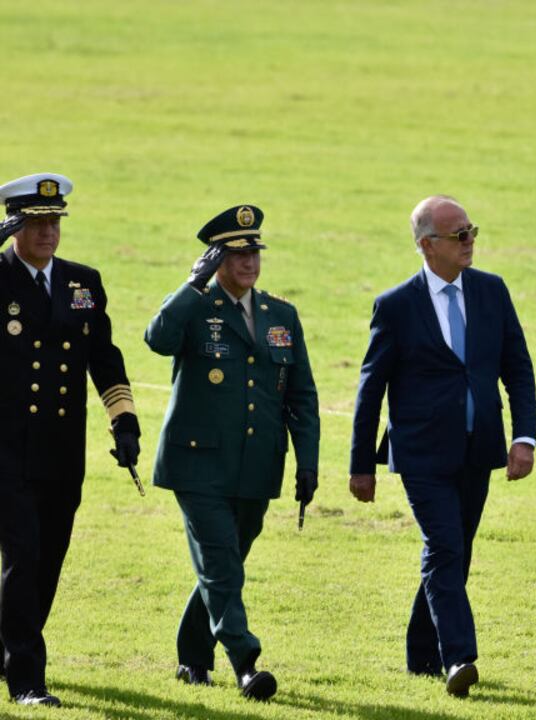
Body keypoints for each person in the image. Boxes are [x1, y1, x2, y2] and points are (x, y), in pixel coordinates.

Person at [348, 195, 536, 699]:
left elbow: (517, 367)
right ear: (428, 245)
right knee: (446, 546)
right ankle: (459, 657)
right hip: (421, 455)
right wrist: (361, 464)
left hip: (480, 450)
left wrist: (524, 437)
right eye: (460, 235)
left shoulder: (492, 292)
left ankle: (421, 652)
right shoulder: (396, 305)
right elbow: (370, 388)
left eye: (472, 231)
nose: (470, 241)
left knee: (456, 551)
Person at [145, 205, 319, 701]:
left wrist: (307, 461)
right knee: (221, 564)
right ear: (217, 258)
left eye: (253, 252)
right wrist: (193, 284)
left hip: (257, 464)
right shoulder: (195, 305)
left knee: (226, 565)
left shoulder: (280, 314)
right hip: (196, 462)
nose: (249, 262)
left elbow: (301, 396)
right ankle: (246, 660)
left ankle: (192, 655)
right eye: (237, 253)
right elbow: (157, 339)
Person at [0, 173, 140, 707]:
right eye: (35, 222)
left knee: (49, 557)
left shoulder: (83, 282)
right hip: (6, 445)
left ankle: (7, 650)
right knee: (24, 552)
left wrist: (123, 419)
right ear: (15, 226)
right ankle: (27, 681)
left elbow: (103, 356)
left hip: (61, 446)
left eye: (54, 222)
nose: (48, 232)